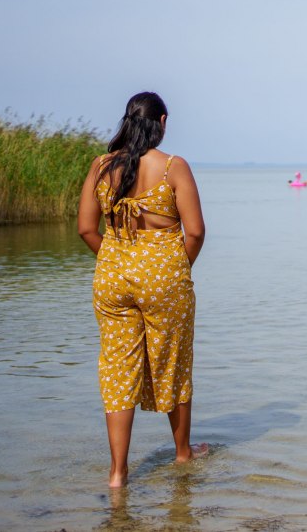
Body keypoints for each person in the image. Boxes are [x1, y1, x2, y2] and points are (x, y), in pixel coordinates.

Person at [78, 92, 207, 487]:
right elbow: (196, 231)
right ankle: (182, 454)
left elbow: (86, 229)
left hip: (112, 276)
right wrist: (172, 267)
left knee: (117, 372)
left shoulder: (101, 165)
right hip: (164, 276)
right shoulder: (172, 167)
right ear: (162, 122)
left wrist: (119, 258)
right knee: (173, 362)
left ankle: (117, 473)